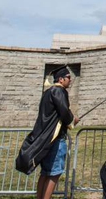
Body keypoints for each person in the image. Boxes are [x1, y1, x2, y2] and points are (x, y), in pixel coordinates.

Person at [33, 67, 79, 199]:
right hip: (55, 139)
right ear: (61, 79)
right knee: (54, 173)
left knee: (45, 173)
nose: (70, 80)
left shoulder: (47, 92)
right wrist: (72, 121)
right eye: (68, 77)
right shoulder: (59, 91)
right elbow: (64, 112)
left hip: (45, 139)